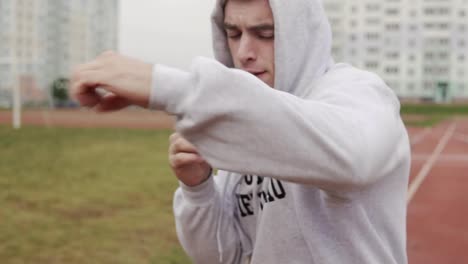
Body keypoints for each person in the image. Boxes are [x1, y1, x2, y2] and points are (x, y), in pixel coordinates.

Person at [70, 0, 411, 263]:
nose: (245, 53)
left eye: (265, 34)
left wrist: (172, 87)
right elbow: (223, 255)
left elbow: (351, 157)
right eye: (234, 34)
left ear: (301, 36)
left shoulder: (358, 93)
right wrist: (198, 188)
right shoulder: (246, 126)